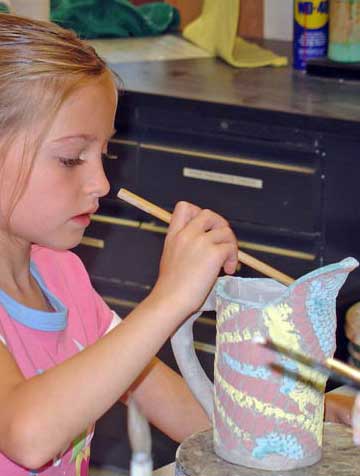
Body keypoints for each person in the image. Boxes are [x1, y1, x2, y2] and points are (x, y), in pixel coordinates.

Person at [0, 12, 239, 475]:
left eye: (104, 152)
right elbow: (26, 435)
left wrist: (310, 424)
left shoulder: (60, 273)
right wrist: (169, 298)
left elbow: (194, 418)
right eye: (71, 158)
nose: (101, 183)